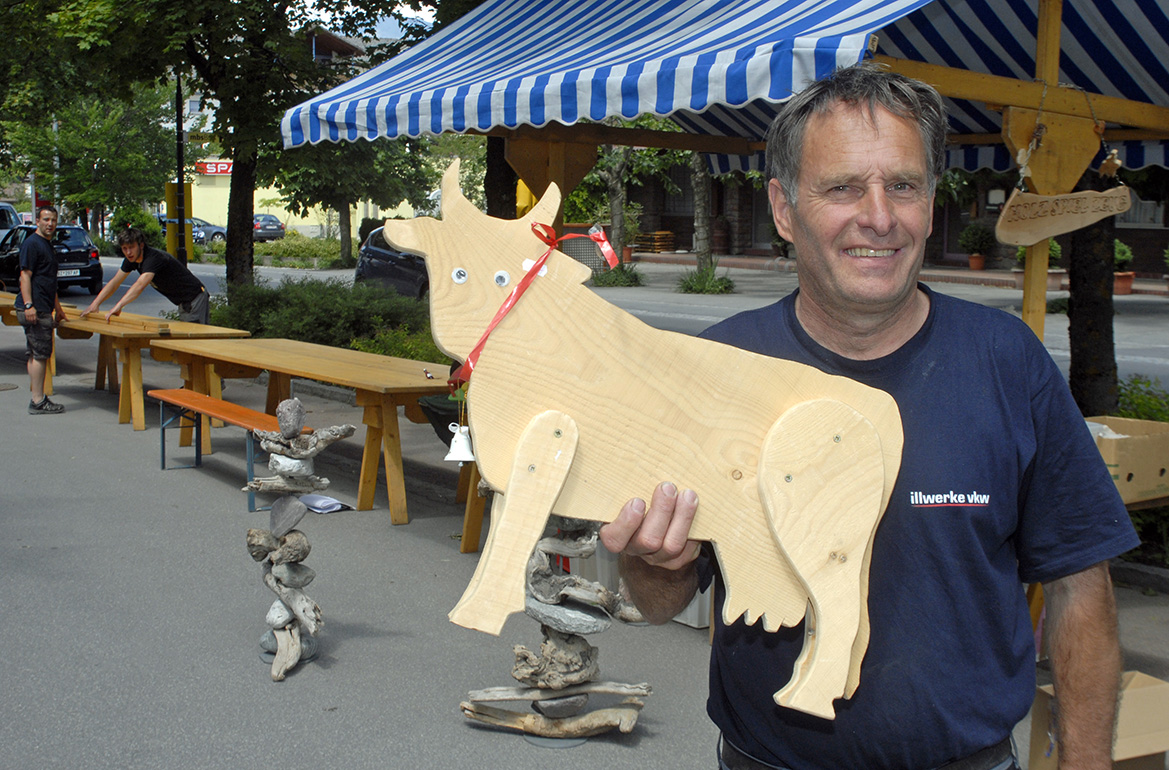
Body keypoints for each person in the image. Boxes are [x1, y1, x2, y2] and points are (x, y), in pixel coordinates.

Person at [599, 63, 1138, 770]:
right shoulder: (716, 369)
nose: (879, 217)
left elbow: (1078, 586)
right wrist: (650, 559)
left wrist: (1086, 762)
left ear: (929, 204)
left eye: (903, 186)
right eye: (843, 187)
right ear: (784, 209)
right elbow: (661, 599)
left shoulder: (1007, 361)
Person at [81, 227, 209, 323]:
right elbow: (114, 282)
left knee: (194, 340)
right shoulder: (131, 260)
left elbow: (140, 285)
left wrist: (119, 306)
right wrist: (95, 304)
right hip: (183, 302)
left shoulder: (154, 258)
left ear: (141, 245)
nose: (128, 252)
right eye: (124, 248)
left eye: (131, 247)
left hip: (194, 298)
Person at [17, 206, 68, 414]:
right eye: (46, 219)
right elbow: (25, 276)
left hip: (43, 306)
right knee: (40, 354)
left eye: (53, 220)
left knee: (34, 353)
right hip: (35, 308)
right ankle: (38, 400)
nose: (50, 224)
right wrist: (29, 305)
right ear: (37, 221)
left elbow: (49, 281)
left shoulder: (47, 245)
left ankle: (36, 396)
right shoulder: (32, 244)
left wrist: (58, 308)